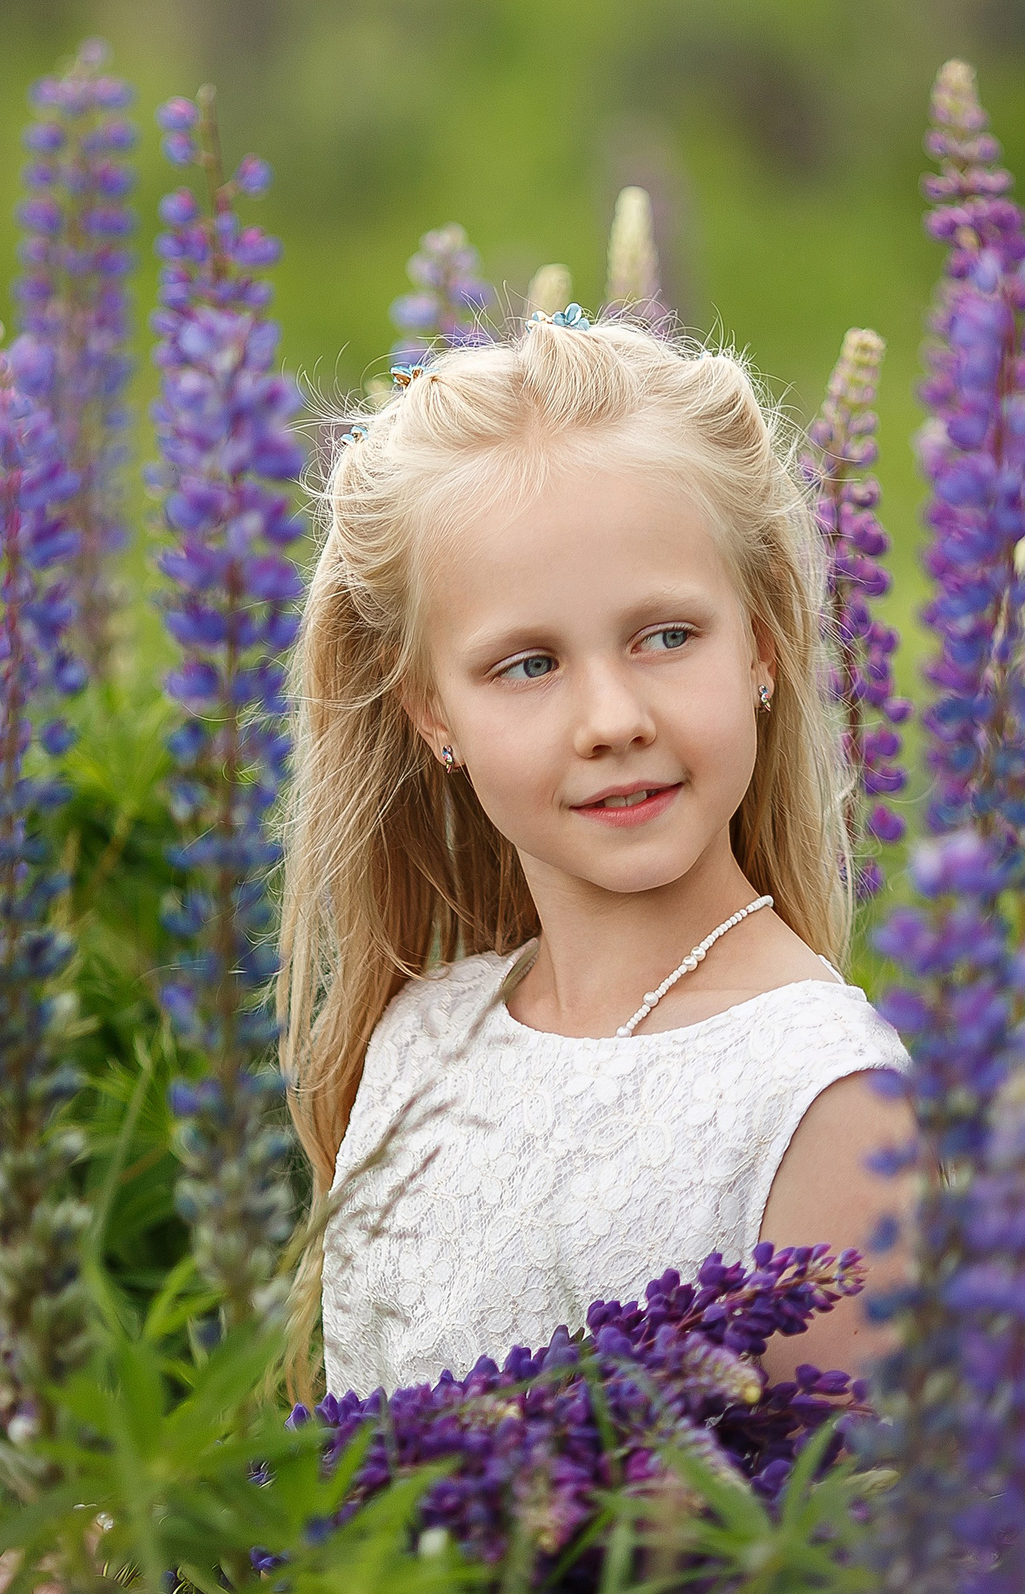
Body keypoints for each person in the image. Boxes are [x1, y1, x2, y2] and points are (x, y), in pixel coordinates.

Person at [276, 305, 914, 1401]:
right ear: (432, 713)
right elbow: (346, 1494)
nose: (612, 716)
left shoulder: (823, 1091)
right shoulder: (421, 1039)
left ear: (761, 642)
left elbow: (858, 1546)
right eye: (527, 664)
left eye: (666, 636)